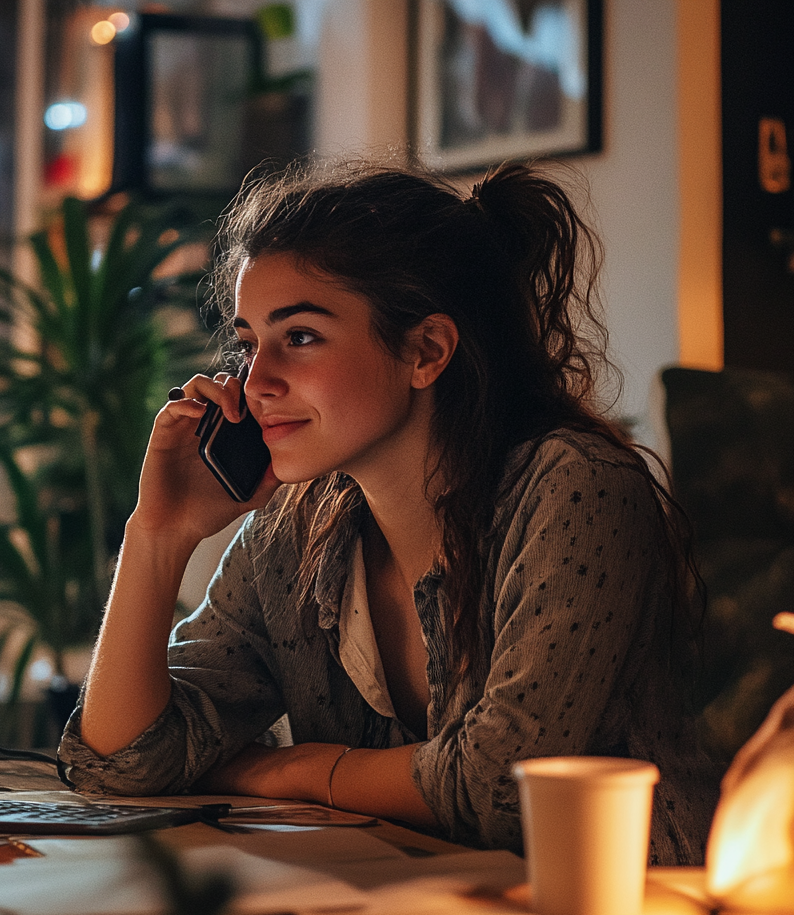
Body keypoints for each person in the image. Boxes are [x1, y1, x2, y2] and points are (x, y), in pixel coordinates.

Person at [58, 161, 720, 865]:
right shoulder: (294, 529)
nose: (255, 384)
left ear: (426, 351)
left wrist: (283, 769)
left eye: (301, 337)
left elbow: (501, 790)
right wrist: (159, 534)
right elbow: (122, 763)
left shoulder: (575, 488)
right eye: (249, 345)